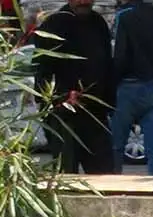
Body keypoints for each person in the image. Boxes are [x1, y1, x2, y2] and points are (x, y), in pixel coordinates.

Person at [34, 0, 116, 174]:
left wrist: (109, 101)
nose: (83, 2)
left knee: (104, 173)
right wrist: (61, 97)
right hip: (64, 116)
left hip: (95, 112)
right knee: (66, 175)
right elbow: (43, 71)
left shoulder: (98, 23)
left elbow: (107, 65)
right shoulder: (53, 25)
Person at [110, 0, 153, 175]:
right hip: (152, 84)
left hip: (128, 85)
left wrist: (114, 80)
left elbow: (120, 54)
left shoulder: (125, 17)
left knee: (117, 146)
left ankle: (113, 185)